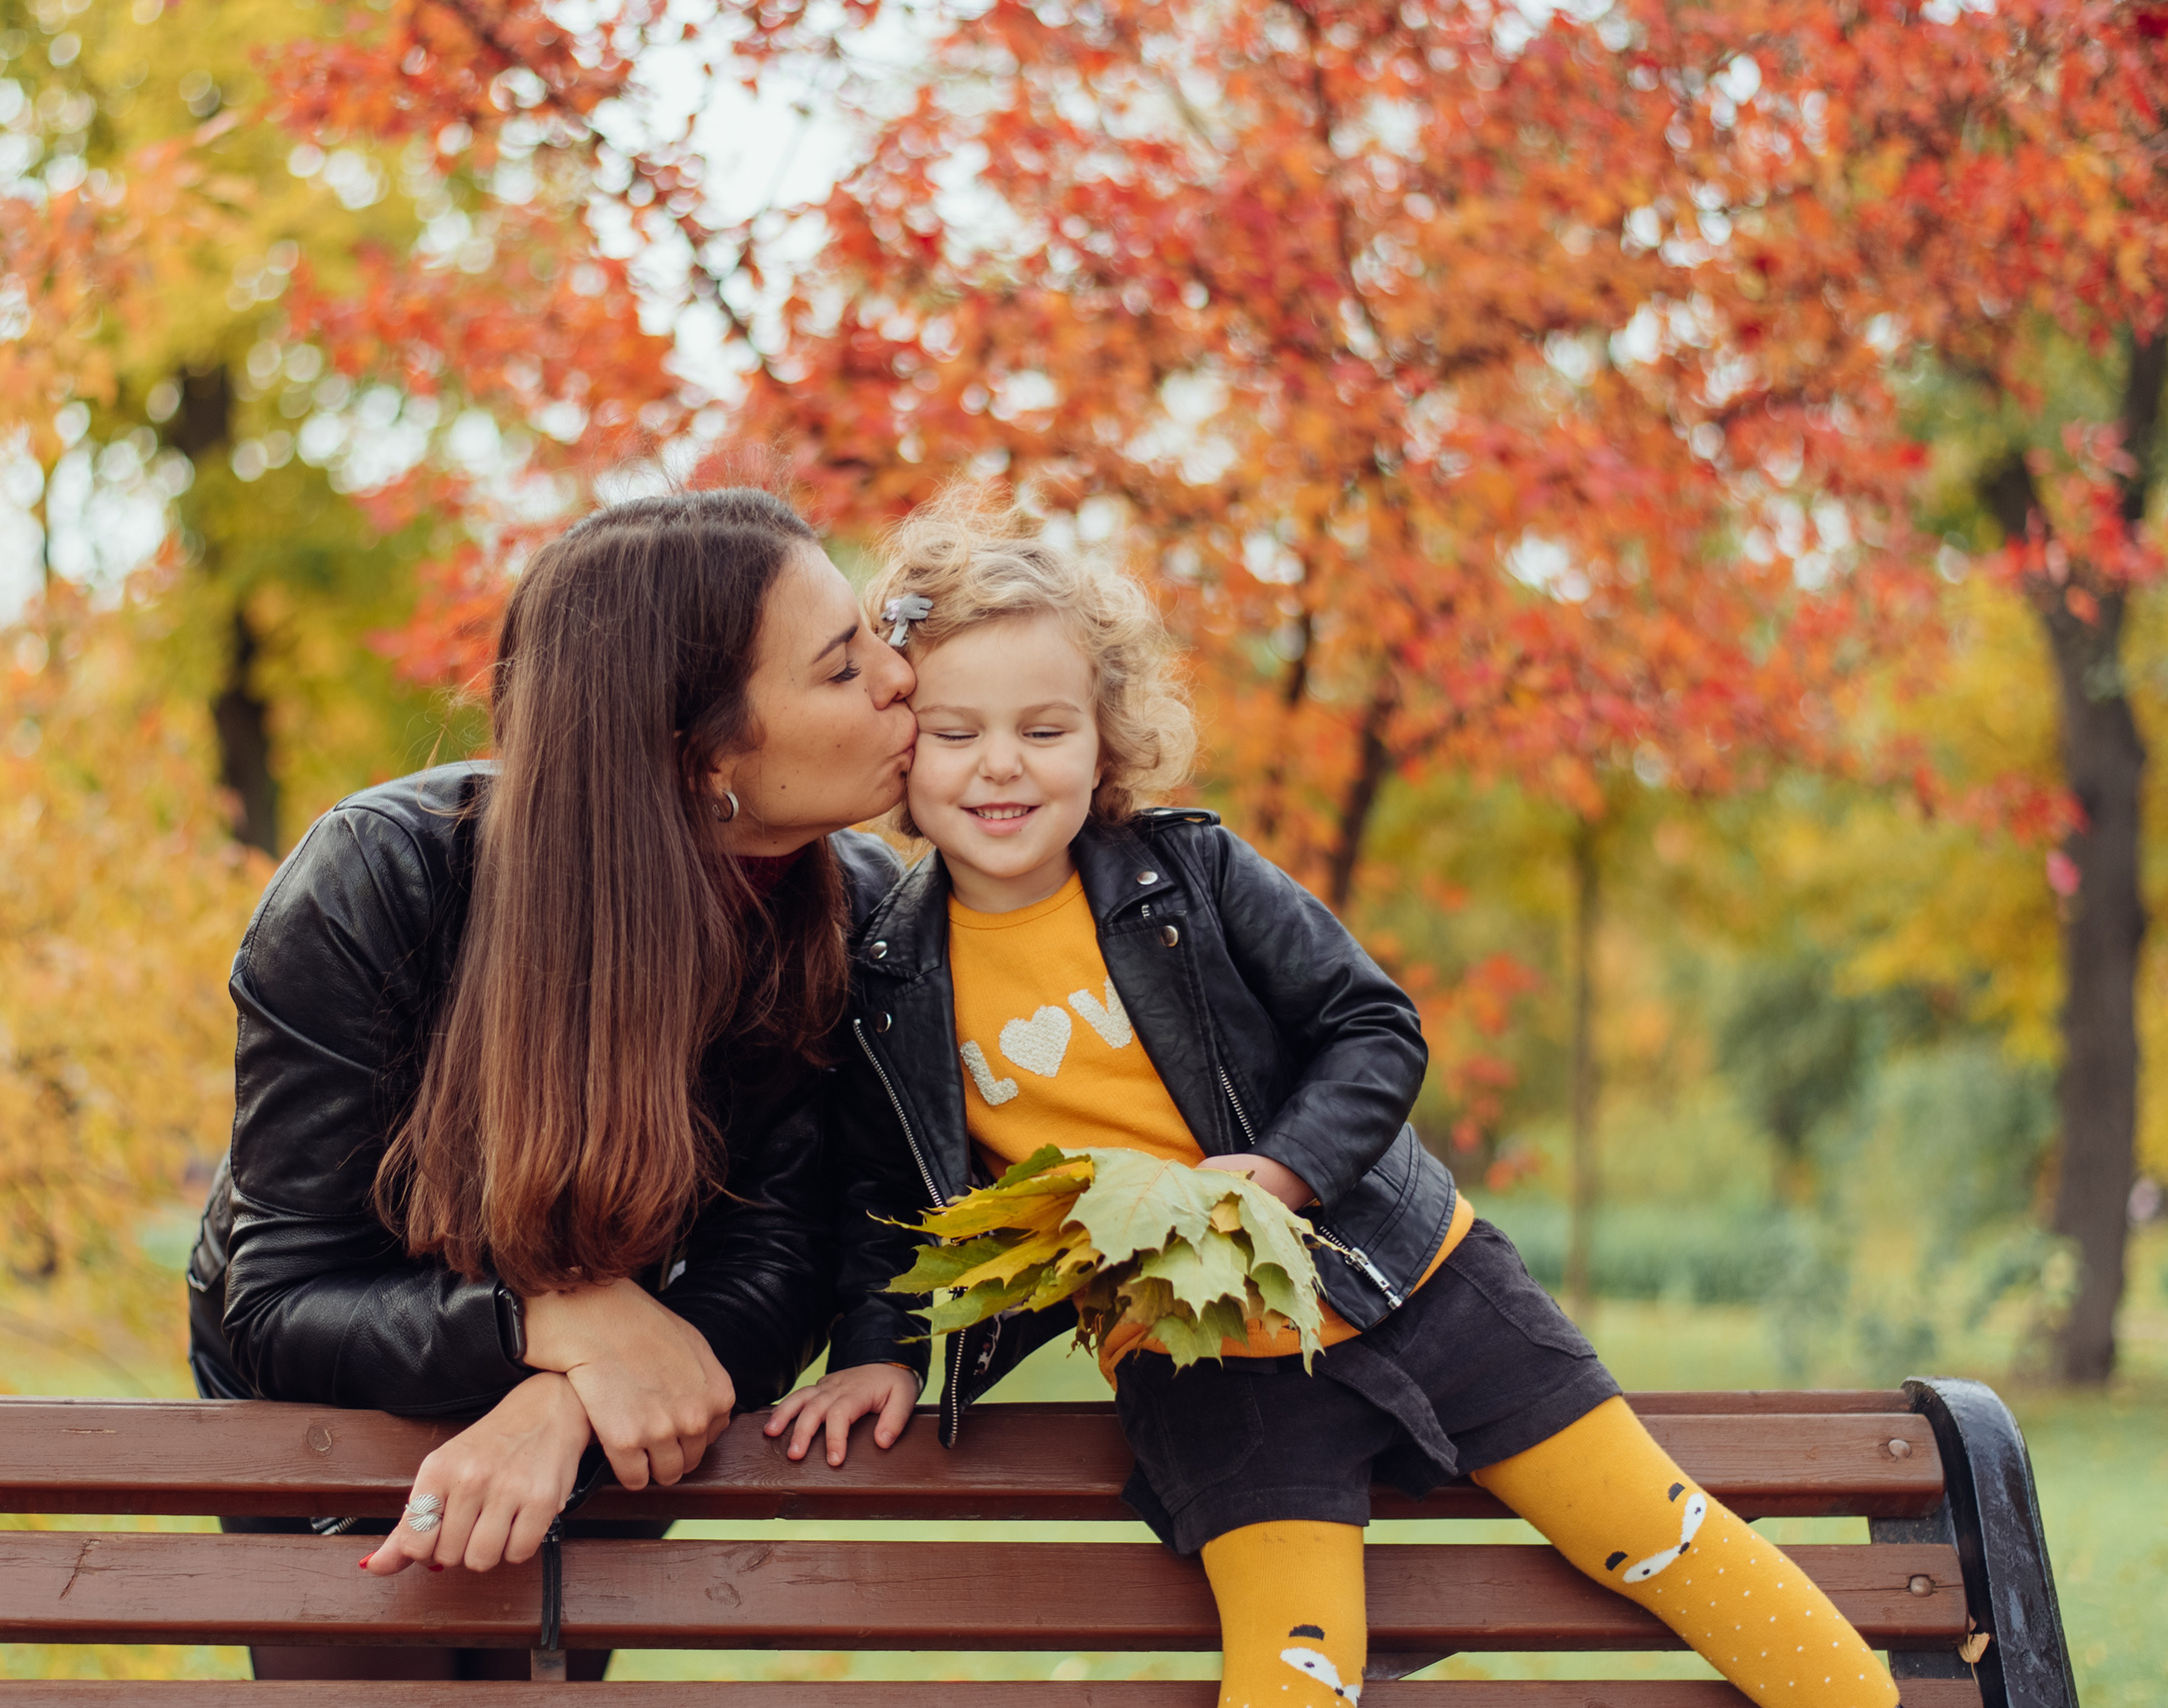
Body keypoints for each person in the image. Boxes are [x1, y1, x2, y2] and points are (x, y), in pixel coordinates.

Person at [767, 485, 1897, 1708]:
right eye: (955, 731)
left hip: (1414, 1279)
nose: (1001, 765)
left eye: (1044, 729)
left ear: (1104, 741)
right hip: (1199, 1357)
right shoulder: (886, 970)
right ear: (901, 747)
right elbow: (888, 1193)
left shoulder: (1188, 873)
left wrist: (1279, 1169)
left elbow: (1372, 1026)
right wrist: (880, 1349)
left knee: (1659, 1534)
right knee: (1295, 1661)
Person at [185, 488, 916, 1681]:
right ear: (700, 762)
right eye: (842, 669)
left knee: (543, 1663)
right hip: (344, 1379)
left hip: (639, 1374)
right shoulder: (381, 880)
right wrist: (546, 1322)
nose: (901, 679)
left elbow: (778, 1264)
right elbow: (283, 1300)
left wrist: (563, 1401)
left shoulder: (853, 913)